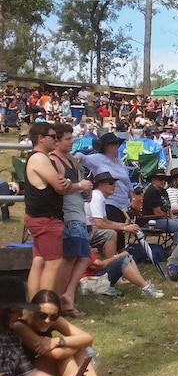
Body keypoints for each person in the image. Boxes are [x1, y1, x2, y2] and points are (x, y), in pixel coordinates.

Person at [0, 277, 82, 376]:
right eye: (15, 311)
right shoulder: (18, 328)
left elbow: (29, 374)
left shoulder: (11, 336)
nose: (20, 315)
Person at [11, 289, 102, 376]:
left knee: (78, 352)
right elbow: (57, 355)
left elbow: (88, 338)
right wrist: (77, 344)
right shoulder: (19, 326)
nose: (47, 321)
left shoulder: (53, 321)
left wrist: (57, 341)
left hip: (45, 370)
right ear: (31, 311)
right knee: (67, 357)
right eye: (42, 315)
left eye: (53, 317)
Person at [48, 123, 93, 318]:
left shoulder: (72, 161)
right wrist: (80, 186)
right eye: (67, 138)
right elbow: (60, 188)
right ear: (57, 140)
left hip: (78, 211)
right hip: (67, 213)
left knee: (83, 256)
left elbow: (77, 185)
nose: (71, 141)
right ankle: (59, 298)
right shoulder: (54, 160)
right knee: (70, 257)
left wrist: (86, 189)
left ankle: (68, 294)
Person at [25, 122, 72, 299]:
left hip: (39, 217)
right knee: (53, 263)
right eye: (53, 137)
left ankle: (35, 305)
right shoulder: (40, 158)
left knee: (39, 261)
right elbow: (60, 187)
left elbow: (60, 183)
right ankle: (44, 306)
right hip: (46, 218)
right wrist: (68, 183)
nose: (56, 139)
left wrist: (65, 182)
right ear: (40, 138)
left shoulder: (38, 158)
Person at [141, 169, 178, 243]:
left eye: (165, 179)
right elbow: (157, 213)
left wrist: (172, 217)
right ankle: (175, 247)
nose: (163, 181)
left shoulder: (164, 191)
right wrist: (169, 219)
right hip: (151, 221)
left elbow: (168, 207)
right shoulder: (151, 191)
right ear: (153, 181)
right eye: (160, 179)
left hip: (164, 218)